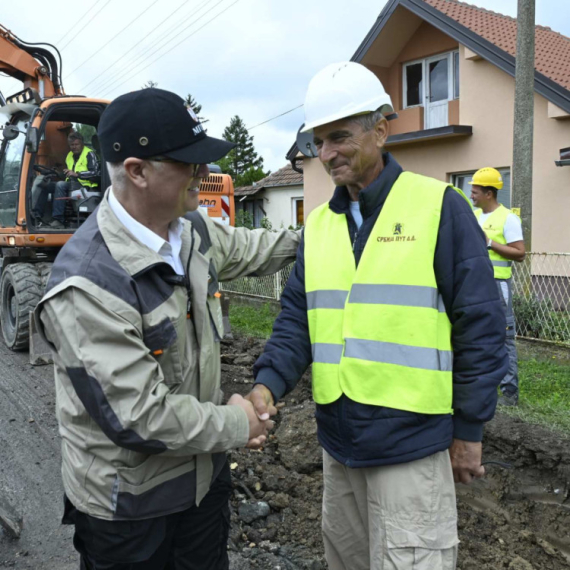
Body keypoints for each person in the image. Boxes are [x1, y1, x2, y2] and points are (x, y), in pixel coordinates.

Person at [247, 62, 508, 570]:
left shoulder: (439, 207)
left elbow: (481, 326)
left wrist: (469, 431)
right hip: (339, 446)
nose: (327, 154)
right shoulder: (320, 226)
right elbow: (297, 321)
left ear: (380, 130)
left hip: (410, 446)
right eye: (318, 142)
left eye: (339, 136)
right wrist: (266, 386)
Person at [36, 87, 300, 569]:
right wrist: (240, 423)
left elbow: (251, 247)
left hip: (200, 484)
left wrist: (320, 237)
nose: (203, 172)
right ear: (137, 171)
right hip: (130, 511)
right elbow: (140, 416)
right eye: (189, 161)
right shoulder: (89, 283)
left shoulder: (188, 229)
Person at [470, 168, 526, 406]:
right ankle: (481, 387)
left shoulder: (508, 219)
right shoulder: (473, 216)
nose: (471, 195)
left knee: (504, 338)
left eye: (475, 191)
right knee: (475, 336)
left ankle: (509, 393)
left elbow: (520, 254)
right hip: (474, 284)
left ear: (489, 193)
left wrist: (490, 243)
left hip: (497, 286)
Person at [33, 131, 100, 228]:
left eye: (76, 144)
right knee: (46, 185)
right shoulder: (69, 156)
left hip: (86, 185)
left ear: (82, 144)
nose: (74, 147)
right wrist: (57, 173)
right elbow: (69, 175)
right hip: (72, 183)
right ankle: (37, 215)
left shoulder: (89, 154)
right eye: (72, 145)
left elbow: (95, 173)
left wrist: (77, 174)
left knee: (60, 185)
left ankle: (58, 219)